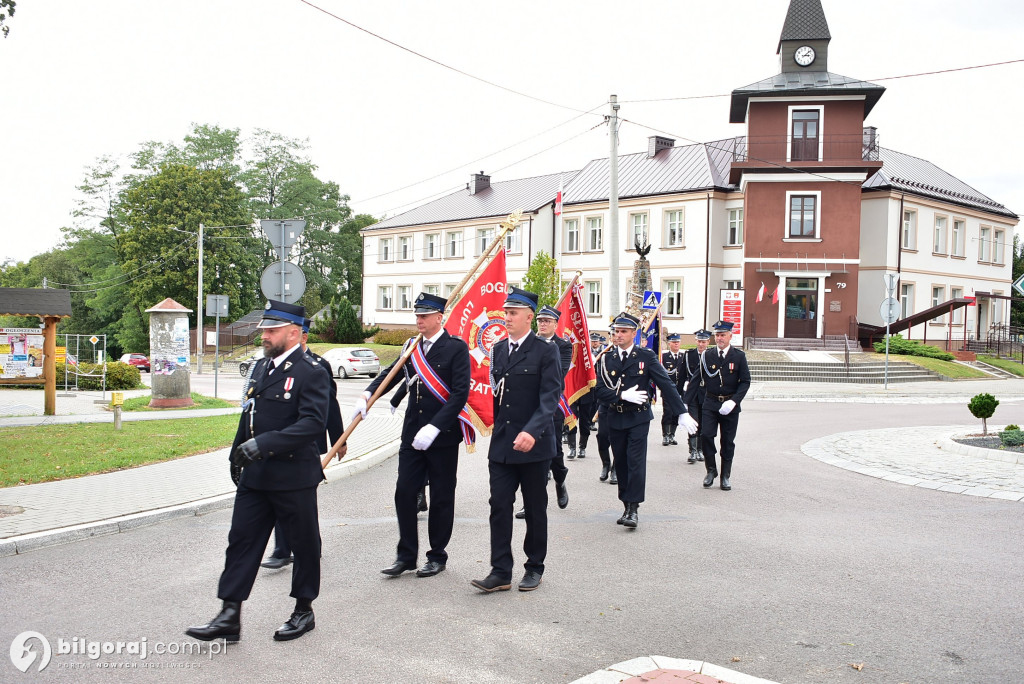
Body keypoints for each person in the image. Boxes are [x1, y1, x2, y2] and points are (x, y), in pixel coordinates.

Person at [186, 300, 331, 643]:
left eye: (271, 330)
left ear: (294, 333)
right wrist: (236, 453)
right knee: (241, 542)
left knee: (304, 544)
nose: (263, 335)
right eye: (264, 329)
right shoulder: (261, 367)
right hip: (256, 474)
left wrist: (264, 445)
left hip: (293, 476)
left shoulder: (312, 370)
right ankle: (229, 614)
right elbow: (248, 414)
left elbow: (312, 424)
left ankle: (303, 610)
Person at [355, 292, 471, 579]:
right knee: (404, 492)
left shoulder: (456, 348)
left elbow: (459, 394)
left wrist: (436, 427)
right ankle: (406, 555)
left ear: (439, 317)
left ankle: (437, 555)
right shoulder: (412, 346)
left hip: (441, 436)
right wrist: (369, 392)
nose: (418, 320)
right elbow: (392, 373)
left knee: (442, 496)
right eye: (417, 316)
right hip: (412, 434)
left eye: (423, 316)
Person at [472, 287, 561, 593]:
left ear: (528, 316)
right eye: (506, 312)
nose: (507, 318)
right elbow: (499, 397)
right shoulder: (497, 349)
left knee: (535, 508)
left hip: (534, 445)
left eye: (513, 313)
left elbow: (550, 398)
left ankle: (534, 566)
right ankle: (500, 571)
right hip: (503, 445)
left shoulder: (545, 350)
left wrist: (532, 430)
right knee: (498, 505)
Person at [261, 320, 346, 570]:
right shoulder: (272, 364)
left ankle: (310, 545)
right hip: (278, 444)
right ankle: (281, 550)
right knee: (278, 493)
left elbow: (331, 405)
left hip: (305, 444)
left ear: (303, 337)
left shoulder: (318, 366)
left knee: (303, 501)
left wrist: (339, 439)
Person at [595, 312, 687, 529]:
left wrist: (681, 411)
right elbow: (599, 390)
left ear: (634, 334)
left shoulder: (645, 357)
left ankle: (633, 508)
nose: (618, 335)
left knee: (635, 461)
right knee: (622, 462)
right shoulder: (607, 358)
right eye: (616, 331)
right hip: (615, 415)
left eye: (623, 331)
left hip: (638, 417)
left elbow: (666, 384)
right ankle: (625, 503)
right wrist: (620, 395)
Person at [515, 305, 570, 519]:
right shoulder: (527, 343)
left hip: (551, 406)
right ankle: (529, 503)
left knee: (554, 451)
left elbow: (560, 371)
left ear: (556, 324)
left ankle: (560, 479)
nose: (543, 324)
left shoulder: (563, 346)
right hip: (528, 407)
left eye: (548, 321)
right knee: (528, 455)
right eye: (541, 320)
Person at [682, 320, 751, 491]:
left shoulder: (739, 356)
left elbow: (745, 382)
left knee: (727, 441)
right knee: (706, 436)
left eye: (723, 335)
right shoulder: (707, 355)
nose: (719, 338)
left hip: (730, 405)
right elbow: (696, 379)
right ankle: (711, 470)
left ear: (730, 336)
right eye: (717, 335)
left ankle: (725, 475)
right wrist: (683, 405)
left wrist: (734, 401)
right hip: (711, 403)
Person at [681, 329, 711, 464]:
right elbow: (682, 375)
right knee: (693, 421)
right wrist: (680, 395)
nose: (701, 344)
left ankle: (700, 449)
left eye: (703, 342)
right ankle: (692, 450)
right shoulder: (689, 355)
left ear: (708, 342)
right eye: (699, 341)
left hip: (706, 394)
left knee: (704, 423)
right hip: (692, 393)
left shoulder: (711, 355)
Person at [659, 333, 685, 447]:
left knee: (676, 412)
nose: (676, 344)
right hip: (667, 390)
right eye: (674, 342)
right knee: (668, 412)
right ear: (669, 344)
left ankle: (672, 434)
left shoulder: (683, 357)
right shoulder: (664, 357)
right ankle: (665, 434)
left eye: (677, 342)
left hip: (680, 389)